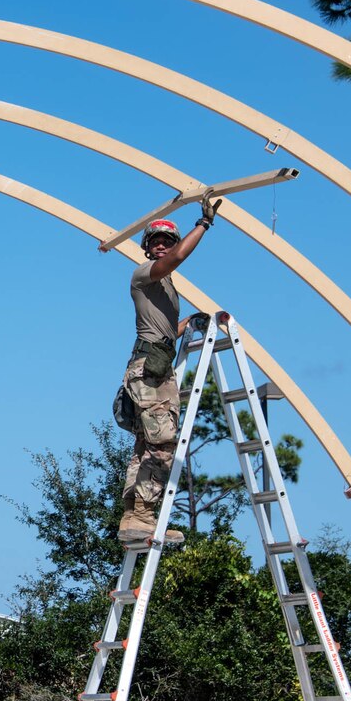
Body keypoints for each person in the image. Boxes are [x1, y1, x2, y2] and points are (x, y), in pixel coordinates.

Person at [117, 196, 220, 545]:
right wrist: (203, 225)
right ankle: (145, 515)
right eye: (156, 241)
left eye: (167, 241)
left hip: (154, 363)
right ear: (147, 248)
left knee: (147, 444)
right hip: (150, 370)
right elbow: (177, 259)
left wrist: (189, 321)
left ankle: (134, 517)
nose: (162, 245)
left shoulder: (166, 288)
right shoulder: (144, 274)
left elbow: (163, 331)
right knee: (163, 445)